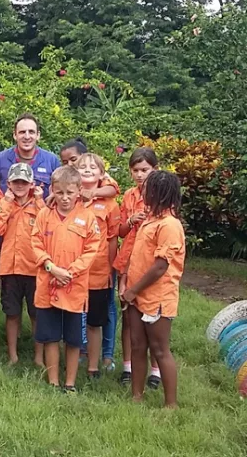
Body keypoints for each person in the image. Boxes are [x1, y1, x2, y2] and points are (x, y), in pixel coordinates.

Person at [31, 166, 101, 392]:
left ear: (79, 191)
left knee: (73, 340)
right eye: (59, 193)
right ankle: (53, 381)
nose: (64, 198)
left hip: (74, 287)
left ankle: (69, 383)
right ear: (52, 190)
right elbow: (35, 244)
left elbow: (91, 250)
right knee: (51, 337)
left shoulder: (88, 218)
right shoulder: (44, 215)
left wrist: (70, 272)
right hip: (48, 284)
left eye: (70, 193)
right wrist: (51, 268)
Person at [121, 170, 185, 408]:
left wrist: (133, 290)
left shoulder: (170, 225)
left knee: (159, 349)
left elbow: (160, 267)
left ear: (159, 193)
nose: (143, 192)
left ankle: (171, 405)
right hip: (137, 294)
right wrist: (126, 283)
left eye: (147, 189)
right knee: (137, 345)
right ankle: (136, 396)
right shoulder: (149, 220)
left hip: (157, 297)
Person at [0, 163, 45, 366]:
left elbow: (47, 226)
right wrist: (6, 202)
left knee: (36, 314)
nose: (19, 185)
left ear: (31, 183)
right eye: (15, 182)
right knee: (12, 313)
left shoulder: (38, 204)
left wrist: (39, 199)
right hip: (10, 268)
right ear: (9, 183)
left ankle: (39, 357)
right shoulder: (6, 204)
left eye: (23, 182)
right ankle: (12, 355)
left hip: (33, 268)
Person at [114, 147, 160, 386]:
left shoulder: (161, 196)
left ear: (155, 169)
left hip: (151, 263)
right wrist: (130, 221)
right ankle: (128, 367)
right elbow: (119, 230)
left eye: (145, 170)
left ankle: (156, 370)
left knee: (152, 320)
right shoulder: (130, 196)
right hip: (128, 260)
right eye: (135, 170)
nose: (140, 175)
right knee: (128, 318)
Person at [77, 153, 121, 378]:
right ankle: (76, 358)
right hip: (74, 272)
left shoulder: (110, 205)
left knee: (95, 321)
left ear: (102, 175)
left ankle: (94, 366)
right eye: (82, 166)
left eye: (92, 167)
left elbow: (113, 237)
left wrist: (112, 268)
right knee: (74, 318)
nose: (87, 170)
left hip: (99, 272)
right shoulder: (69, 198)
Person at [0, 113, 60, 197]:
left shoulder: (52, 161)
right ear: (15, 135)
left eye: (31, 132)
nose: (27, 136)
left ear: (38, 135)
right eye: (22, 132)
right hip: (8, 209)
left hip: (41, 209)